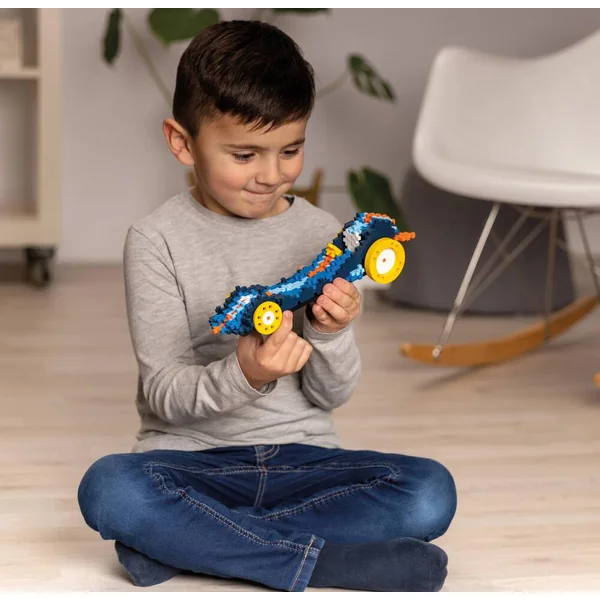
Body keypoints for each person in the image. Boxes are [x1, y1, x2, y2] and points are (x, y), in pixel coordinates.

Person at [77, 19, 456, 592]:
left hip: (305, 464)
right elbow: (164, 394)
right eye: (244, 154)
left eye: (291, 150)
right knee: (111, 490)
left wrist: (329, 333)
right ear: (182, 142)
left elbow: (332, 395)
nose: (271, 175)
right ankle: (324, 563)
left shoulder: (324, 235)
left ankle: (202, 545)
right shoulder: (156, 240)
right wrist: (246, 373)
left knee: (430, 492)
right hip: (194, 465)